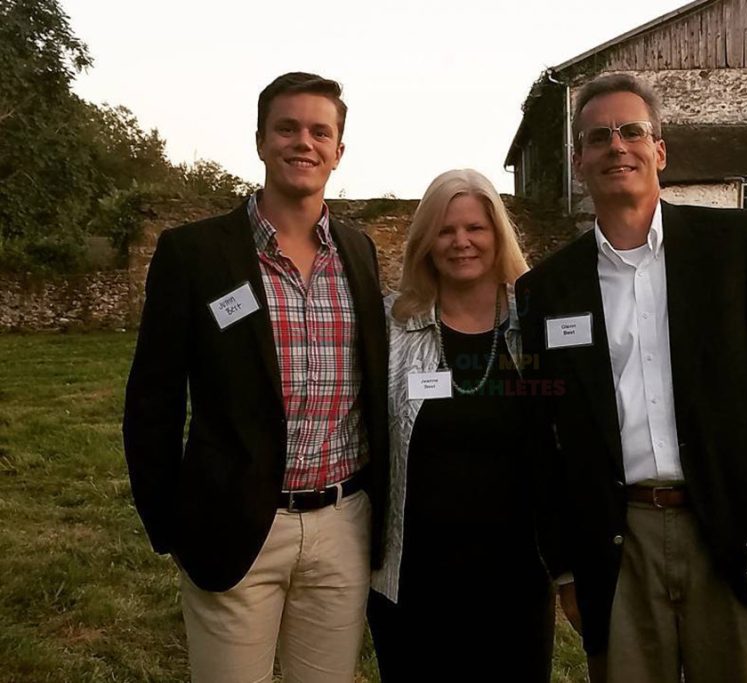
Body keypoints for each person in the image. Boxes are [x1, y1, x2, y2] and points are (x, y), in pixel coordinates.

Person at [515, 73, 747, 683]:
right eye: (598, 137)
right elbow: (543, 437)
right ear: (579, 161)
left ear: (660, 149)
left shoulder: (732, 245)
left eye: (632, 131)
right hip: (618, 543)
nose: (617, 146)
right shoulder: (548, 290)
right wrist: (566, 570)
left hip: (736, 530)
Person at [122, 72, 389, 683]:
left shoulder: (359, 251)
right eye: (288, 128)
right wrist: (169, 525)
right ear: (261, 141)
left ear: (339, 151)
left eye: (321, 131)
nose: (305, 142)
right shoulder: (195, 254)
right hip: (234, 523)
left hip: (343, 525)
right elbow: (153, 402)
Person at [367, 169, 555, 683]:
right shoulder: (391, 325)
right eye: (445, 230)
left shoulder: (535, 322)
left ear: (498, 234)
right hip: (415, 578)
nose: (460, 242)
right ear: (426, 241)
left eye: (475, 228)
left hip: (516, 577)